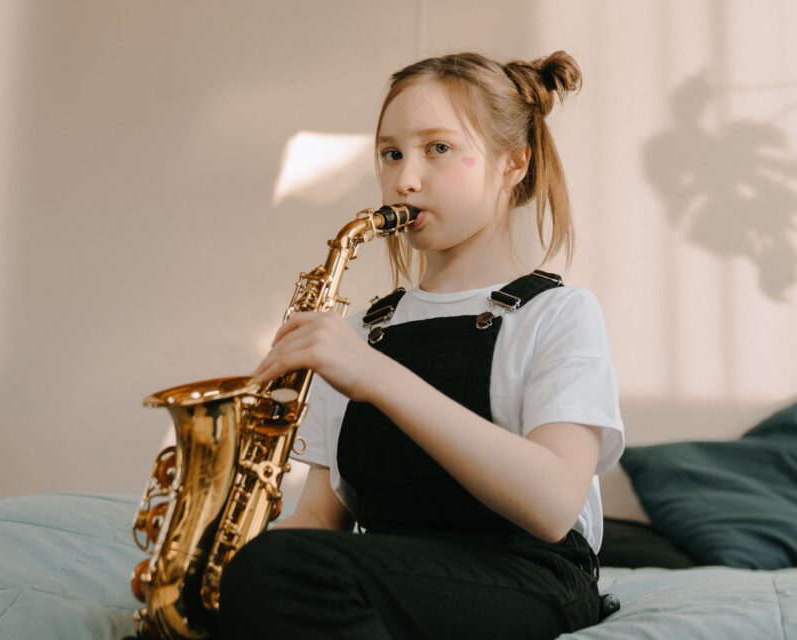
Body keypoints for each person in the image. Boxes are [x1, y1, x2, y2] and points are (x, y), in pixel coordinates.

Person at [218, 50, 625, 640]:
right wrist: (226, 574)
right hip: (392, 571)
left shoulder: (558, 313)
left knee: (282, 578)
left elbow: (554, 503)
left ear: (515, 163)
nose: (405, 178)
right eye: (391, 153)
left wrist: (375, 377)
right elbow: (320, 517)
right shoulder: (359, 332)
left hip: (530, 575)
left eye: (437, 148)